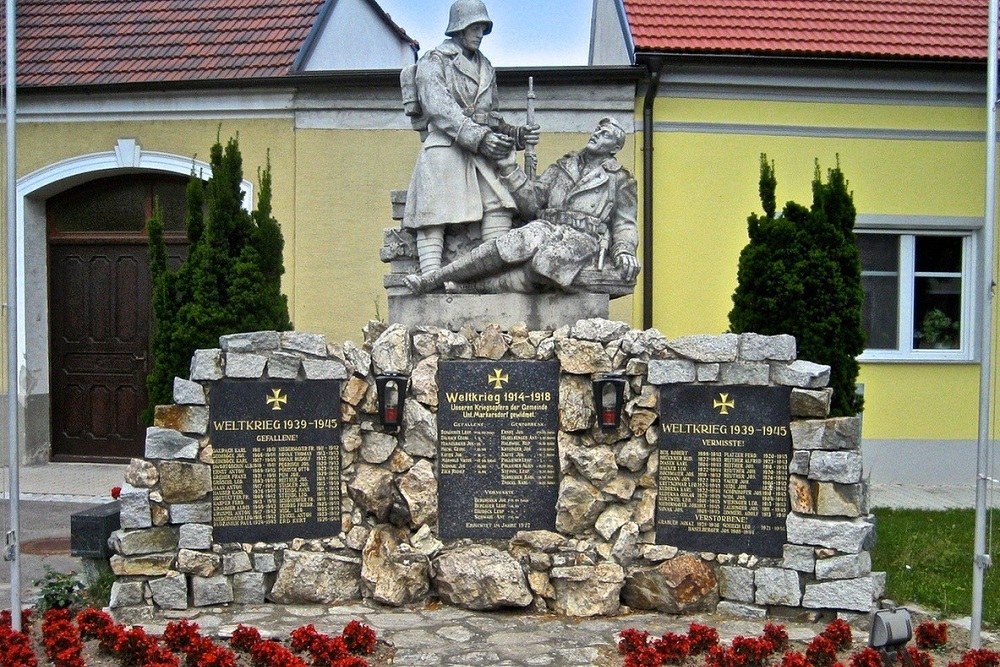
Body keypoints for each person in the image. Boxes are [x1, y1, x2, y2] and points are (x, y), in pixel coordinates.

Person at [404, 117, 639, 294]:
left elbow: (625, 225)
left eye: (605, 134)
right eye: (598, 129)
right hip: (548, 225)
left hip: (584, 238)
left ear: (615, 148)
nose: (597, 134)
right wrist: (509, 168)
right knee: (509, 243)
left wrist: (624, 251)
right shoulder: (564, 165)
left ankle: (471, 287)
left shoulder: (620, 179)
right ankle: (433, 279)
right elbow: (533, 203)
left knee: (546, 262)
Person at [402, 0, 538, 274]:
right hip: (445, 148)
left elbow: (491, 115)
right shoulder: (435, 60)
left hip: (479, 154)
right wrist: (479, 137)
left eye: (482, 28)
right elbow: (439, 109)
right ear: (458, 28)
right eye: (474, 27)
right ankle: (429, 279)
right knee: (433, 216)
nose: (479, 34)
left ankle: (487, 277)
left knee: (500, 206)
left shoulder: (486, 66)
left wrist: (516, 135)